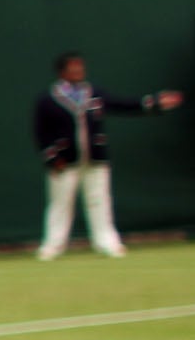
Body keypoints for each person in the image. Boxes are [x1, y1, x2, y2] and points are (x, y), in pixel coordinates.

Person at [33, 53, 183, 260]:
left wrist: (154, 103)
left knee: (100, 201)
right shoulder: (47, 100)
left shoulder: (94, 94)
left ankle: (106, 242)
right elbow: (41, 133)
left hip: (95, 159)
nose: (78, 71)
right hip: (64, 161)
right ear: (62, 72)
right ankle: (52, 246)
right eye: (73, 68)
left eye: (80, 67)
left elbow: (123, 105)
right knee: (60, 204)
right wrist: (51, 158)